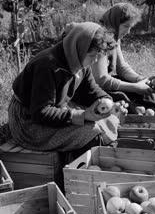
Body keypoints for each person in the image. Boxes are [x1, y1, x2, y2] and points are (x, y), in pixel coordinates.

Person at [8, 22, 127, 157]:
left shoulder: (79, 61)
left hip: (56, 109)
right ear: (80, 48)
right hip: (28, 122)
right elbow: (41, 112)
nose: (95, 61)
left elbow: (91, 90)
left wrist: (107, 103)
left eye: (98, 56)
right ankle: (75, 172)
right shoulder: (47, 66)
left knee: (110, 121)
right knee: (90, 132)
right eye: (93, 56)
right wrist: (81, 115)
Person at [92, 2, 155, 113]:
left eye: (130, 27)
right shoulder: (100, 39)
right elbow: (101, 79)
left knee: (144, 92)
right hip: (92, 88)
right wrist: (135, 87)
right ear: (114, 22)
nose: (128, 32)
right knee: (122, 97)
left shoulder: (114, 37)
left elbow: (122, 67)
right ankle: (138, 121)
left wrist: (141, 80)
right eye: (126, 26)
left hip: (105, 83)